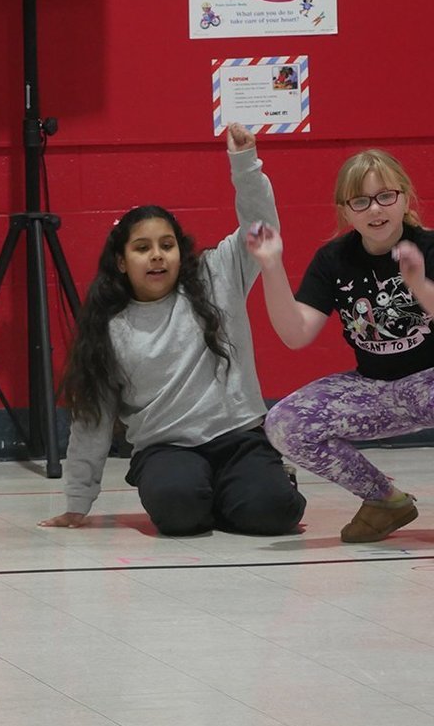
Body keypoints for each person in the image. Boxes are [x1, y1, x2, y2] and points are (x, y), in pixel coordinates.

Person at [39, 123, 305, 536]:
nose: (157, 256)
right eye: (142, 248)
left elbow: (261, 228)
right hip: (165, 449)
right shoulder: (109, 328)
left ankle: (257, 482)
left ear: (181, 252)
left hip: (238, 439)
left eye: (167, 245)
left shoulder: (219, 274)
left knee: (273, 513)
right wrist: (77, 501)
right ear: (122, 261)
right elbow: (93, 418)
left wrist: (244, 163)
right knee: (179, 514)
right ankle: (210, 493)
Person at [248, 149, 434, 543]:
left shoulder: (428, 247)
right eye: (360, 201)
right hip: (375, 388)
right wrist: (271, 266)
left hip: (429, 381)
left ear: (405, 198)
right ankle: (384, 500)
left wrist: (418, 283)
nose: (375, 209)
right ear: (345, 211)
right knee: (284, 423)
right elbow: (296, 334)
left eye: (386, 196)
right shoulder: (333, 259)